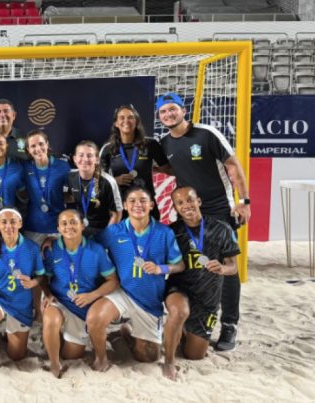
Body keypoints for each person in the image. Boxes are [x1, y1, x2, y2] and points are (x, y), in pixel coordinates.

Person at [156, 92, 250, 351]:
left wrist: (244, 201)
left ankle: (229, 325)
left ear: (183, 110)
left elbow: (233, 166)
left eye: (172, 109)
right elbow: (168, 168)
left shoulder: (206, 134)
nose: (168, 115)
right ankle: (196, 316)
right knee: (191, 265)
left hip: (219, 211)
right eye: (163, 112)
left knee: (226, 268)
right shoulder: (164, 144)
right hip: (188, 211)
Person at [87, 186, 184, 371]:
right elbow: (88, 246)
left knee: (148, 356)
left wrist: (160, 268)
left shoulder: (164, 233)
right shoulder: (113, 232)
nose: (137, 205)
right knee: (94, 319)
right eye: (132, 201)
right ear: (125, 205)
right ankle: (101, 358)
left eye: (142, 201)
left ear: (151, 205)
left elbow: (179, 265)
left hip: (148, 299)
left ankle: (126, 334)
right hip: (122, 291)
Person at [162, 186, 240, 380]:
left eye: (189, 200)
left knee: (194, 355)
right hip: (180, 289)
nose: (186, 205)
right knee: (180, 311)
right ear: (175, 208)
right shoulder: (173, 232)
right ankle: (169, 363)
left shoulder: (222, 228)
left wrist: (222, 268)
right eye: (180, 203)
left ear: (199, 201)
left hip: (208, 299)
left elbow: (233, 267)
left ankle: (181, 330)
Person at [41, 209, 118, 378]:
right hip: (60, 300)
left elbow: (113, 281)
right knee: (50, 319)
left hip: (83, 307)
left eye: (73, 222)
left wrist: (92, 295)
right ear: (58, 228)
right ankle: (54, 365)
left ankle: (60, 337)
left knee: (72, 355)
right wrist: (47, 293)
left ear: (82, 225)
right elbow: (43, 278)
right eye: (64, 223)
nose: (69, 226)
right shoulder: (51, 249)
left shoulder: (96, 250)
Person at [0, 209, 44, 370]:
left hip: (21, 301)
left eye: (13, 221)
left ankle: (5, 335)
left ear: (20, 223)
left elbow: (41, 277)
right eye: (4, 222)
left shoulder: (32, 248)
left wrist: (33, 283)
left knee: (17, 356)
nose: (9, 226)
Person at [99, 105, 170, 219]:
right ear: (116, 123)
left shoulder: (150, 144)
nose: (126, 121)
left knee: (151, 236)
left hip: (146, 204)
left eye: (130, 117)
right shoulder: (108, 148)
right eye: (121, 118)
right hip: (120, 206)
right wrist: (114, 180)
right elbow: (99, 181)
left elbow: (168, 168)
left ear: (136, 122)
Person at [22, 129, 71, 245]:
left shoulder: (63, 166)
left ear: (47, 144)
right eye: (33, 146)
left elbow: (72, 194)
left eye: (41, 144)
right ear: (28, 150)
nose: (38, 149)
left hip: (58, 227)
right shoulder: (25, 168)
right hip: (33, 228)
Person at [65, 140, 122, 238]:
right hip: (79, 230)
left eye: (90, 155)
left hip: (102, 231)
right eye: (81, 155)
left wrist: (107, 236)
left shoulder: (108, 181)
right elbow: (70, 196)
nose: (85, 159)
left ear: (97, 159)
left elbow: (116, 213)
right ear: (74, 158)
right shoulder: (70, 177)